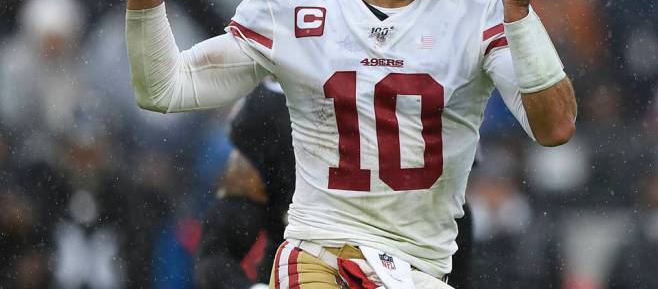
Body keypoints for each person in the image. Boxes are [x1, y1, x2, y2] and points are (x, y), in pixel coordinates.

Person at [122, 0, 576, 288]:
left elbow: (555, 127)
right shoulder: (295, 4)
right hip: (321, 254)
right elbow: (165, 87)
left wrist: (520, 16)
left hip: (418, 270)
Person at [194, 78, 475, 289]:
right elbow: (218, 253)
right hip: (303, 273)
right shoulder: (272, 107)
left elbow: (455, 221)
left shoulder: (433, 88)